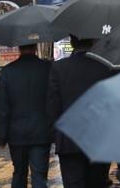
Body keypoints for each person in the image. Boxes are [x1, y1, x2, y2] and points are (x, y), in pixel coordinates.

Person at [47, 35, 115, 188]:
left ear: (72, 43)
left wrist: (55, 136)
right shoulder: (106, 67)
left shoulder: (59, 67)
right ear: (93, 43)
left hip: (69, 140)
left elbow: (53, 106)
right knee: (97, 183)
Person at [0, 44, 51, 188]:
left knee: (19, 173)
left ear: (19, 48)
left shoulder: (8, 71)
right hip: (41, 132)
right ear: (35, 47)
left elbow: (2, 108)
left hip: (16, 134)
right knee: (39, 175)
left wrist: (2, 136)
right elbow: (53, 100)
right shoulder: (47, 69)